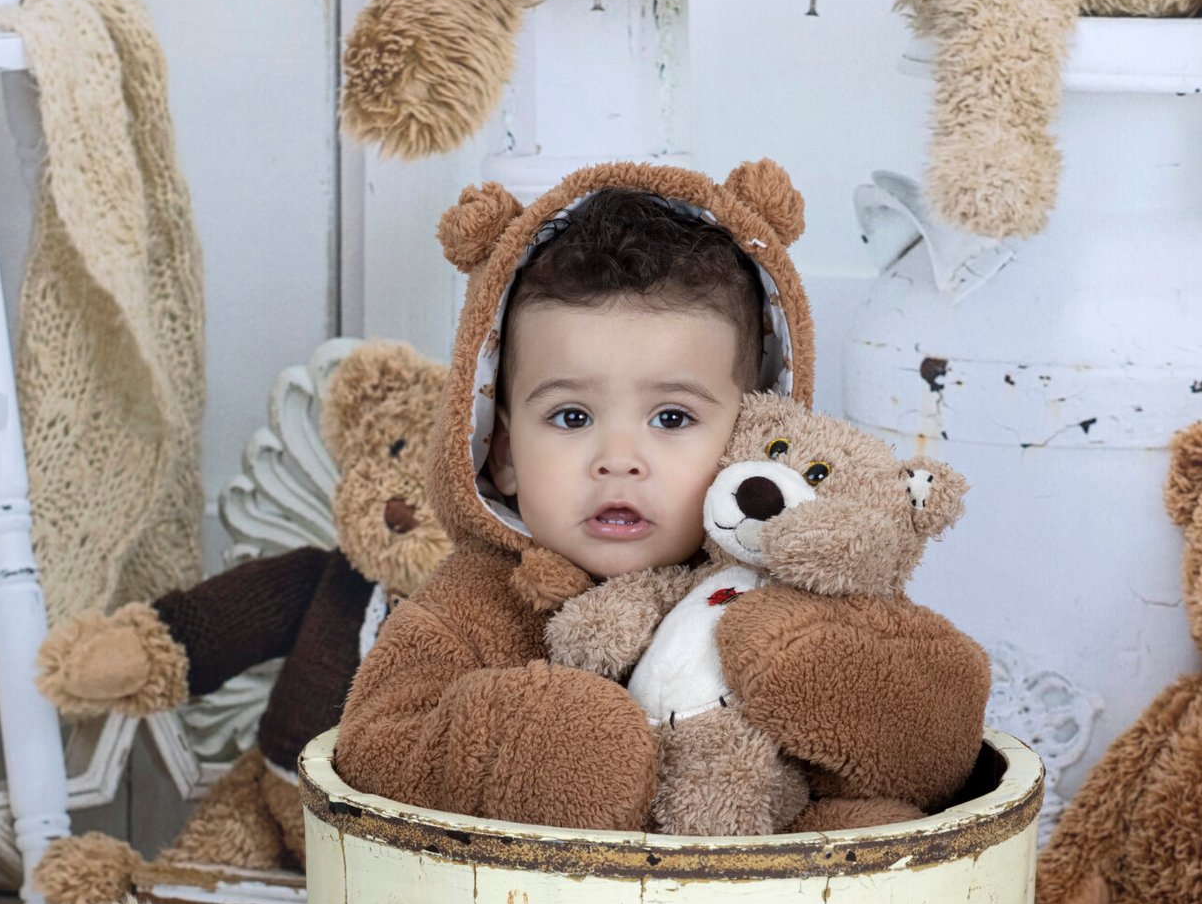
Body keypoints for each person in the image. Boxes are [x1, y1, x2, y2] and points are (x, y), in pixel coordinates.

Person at [333, 160, 986, 830]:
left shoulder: (806, 585)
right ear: (502, 454)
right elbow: (373, 749)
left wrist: (831, 676)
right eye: (571, 417)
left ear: (752, 433)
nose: (618, 460)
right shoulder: (470, 607)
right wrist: (522, 747)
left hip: (761, 881)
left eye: (671, 418)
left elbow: (938, 758)